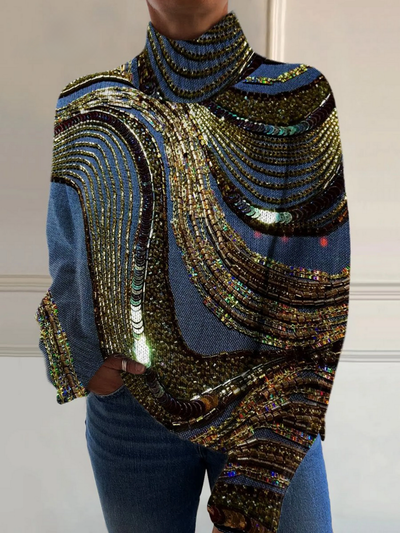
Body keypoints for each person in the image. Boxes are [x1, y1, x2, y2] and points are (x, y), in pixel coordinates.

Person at [35, 1, 350, 532]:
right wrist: (83, 357)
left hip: (269, 410)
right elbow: (68, 252)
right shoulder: (88, 104)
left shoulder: (297, 97)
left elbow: (318, 279)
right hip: (132, 415)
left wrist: (274, 431)